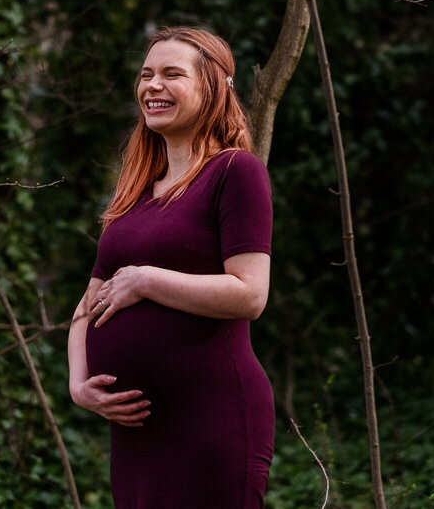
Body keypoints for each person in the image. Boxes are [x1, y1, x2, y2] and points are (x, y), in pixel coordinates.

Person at [67, 26, 274, 508]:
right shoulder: (135, 191)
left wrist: (147, 280)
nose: (151, 86)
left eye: (171, 74)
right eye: (146, 75)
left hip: (211, 418)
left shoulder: (235, 172)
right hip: (138, 430)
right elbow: (87, 303)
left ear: (212, 87)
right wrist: (78, 384)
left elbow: (250, 294)